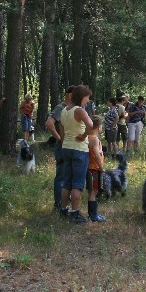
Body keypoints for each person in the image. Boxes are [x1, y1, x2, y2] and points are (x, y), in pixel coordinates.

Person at [60, 84, 94, 224]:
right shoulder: (80, 110)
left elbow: (62, 132)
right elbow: (91, 126)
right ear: (82, 97)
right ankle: (74, 212)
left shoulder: (64, 110)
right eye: (87, 98)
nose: (87, 100)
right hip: (79, 150)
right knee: (77, 183)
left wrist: (65, 143)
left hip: (66, 148)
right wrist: (84, 135)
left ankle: (63, 209)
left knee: (66, 182)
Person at [45, 85, 75, 210]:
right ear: (70, 95)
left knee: (69, 175)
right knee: (61, 176)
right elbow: (49, 123)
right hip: (62, 147)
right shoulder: (60, 108)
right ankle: (58, 204)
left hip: (70, 147)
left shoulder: (72, 108)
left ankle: (65, 201)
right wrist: (59, 138)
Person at [87, 115, 106, 222]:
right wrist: (101, 167)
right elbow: (96, 153)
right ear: (99, 127)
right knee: (93, 191)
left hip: (91, 167)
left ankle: (94, 213)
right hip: (94, 168)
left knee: (93, 191)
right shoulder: (94, 139)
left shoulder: (87, 137)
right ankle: (93, 215)